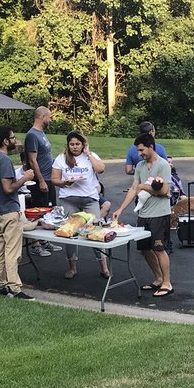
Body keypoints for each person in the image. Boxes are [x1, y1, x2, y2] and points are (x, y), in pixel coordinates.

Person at [0, 125, 39, 299]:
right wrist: (25, 178)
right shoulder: (4, 160)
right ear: (5, 141)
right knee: (13, 251)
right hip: (9, 211)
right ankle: (15, 288)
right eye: (12, 137)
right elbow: (8, 188)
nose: (14, 140)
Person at [113, 132, 173, 297]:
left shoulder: (163, 165)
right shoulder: (139, 166)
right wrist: (120, 209)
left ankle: (167, 283)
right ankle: (158, 278)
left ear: (151, 147)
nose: (139, 154)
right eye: (138, 151)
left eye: (141, 150)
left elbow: (165, 191)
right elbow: (134, 188)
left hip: (159, 214)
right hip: (143, 214)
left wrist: (144, 187)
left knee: (159, 249)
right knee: (146, 249)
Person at [51, 131, 110, 280]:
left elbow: (101, 169)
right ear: (68, 145)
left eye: (78, 144)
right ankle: (72, 267)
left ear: (83, 144)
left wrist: (88, 153)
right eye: (72, 144)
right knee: (70, 233)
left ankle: (104, 267)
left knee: (96, 231)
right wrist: (65, 182)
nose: (75, 147)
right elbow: (54, 179)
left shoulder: (90, 156)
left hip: (89, 199)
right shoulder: (61, 158)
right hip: (69, 199)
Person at [23, 106, 56, 207]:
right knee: (43, 211)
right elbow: (32, 160)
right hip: (40, 181)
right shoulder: (32, 135)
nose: (50, 120)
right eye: (49, 117)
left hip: (49, 179)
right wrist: (41, 181)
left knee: (52, 209)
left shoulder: (41, 133)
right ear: (42, 117)